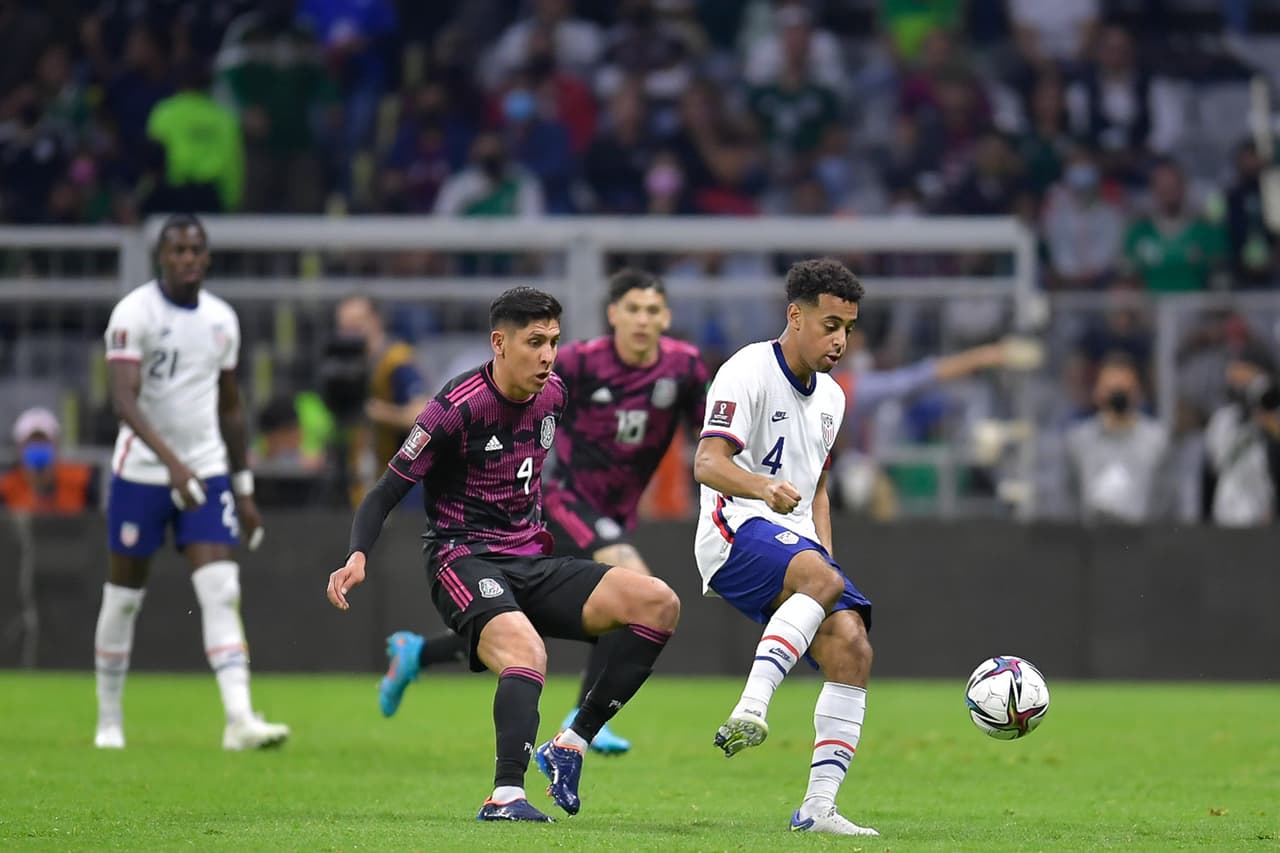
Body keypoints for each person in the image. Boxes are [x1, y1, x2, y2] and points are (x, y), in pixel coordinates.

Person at [325, 287, 680, 823]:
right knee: (526, 651)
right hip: (460, 557)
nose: (547, 355)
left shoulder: (555, 394)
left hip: (531, 558)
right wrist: (357, 554)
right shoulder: (455, 406)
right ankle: (505, 795)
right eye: (534, 342)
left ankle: (572, 743)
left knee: (658, 603)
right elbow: (384, 491)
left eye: (554, 342)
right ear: (499, 342)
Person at [377, 270, 707, 756]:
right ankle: (583, 718)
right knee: (630, 580)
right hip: (564, 499)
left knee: (519, 617)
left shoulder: (684, 366)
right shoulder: (577, 361)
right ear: (612, 314)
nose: (642, 320)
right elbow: (516, 390)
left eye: (653, 310)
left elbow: (708, 432)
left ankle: (418, 653)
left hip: (616, 509)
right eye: (632, 309)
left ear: (667, 318)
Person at [692, 258, 878, 837]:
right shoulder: (746, 370)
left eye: (848, 327)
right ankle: (751, 707)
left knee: (853, 647)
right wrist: (761, 486)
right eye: (829, 325)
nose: (840, 340)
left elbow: (818, 484)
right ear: (794, 316)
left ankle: (818, 808)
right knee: (820, 582)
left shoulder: (832, 397)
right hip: (732, 529)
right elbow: (706, 463)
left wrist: (826, 554)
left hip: (793, 543)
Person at [94, 213, 287, 751]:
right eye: (177, 249)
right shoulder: (134, 313)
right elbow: (123, 399)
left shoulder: (222, 320)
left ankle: (239, 719)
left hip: (205, 471)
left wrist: (243, 488)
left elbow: (230, 407)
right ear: (162, 256)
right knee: (124, 598)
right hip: (142, 474)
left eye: (195, 249)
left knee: (222, 589)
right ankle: (109, 719)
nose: (187, 258)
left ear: (206, 257)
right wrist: (171, 465)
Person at [332, 294, 430, 505]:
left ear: (375, 321)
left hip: (400, 481)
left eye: (357, 325)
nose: (351, 334)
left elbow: (423, 415)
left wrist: (377, 412)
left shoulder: (396, 361)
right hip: (357, 477)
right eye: (345, 328)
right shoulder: (338, 369)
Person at [1064, 352, 1172, 524]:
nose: (1117, 397)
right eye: (1112, 390)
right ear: (1098, 392)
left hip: (1141, 541)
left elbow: (1165, 501)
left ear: (1137, 392)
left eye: (1124, 390)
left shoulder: (1156, 441)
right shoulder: (1079, 440)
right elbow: (1070, 498)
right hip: (1092, 541)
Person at [1203, 343, 1280, 526]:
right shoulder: (1224, 419)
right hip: (1226, 517)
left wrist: (1271, 425)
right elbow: (1216, 465)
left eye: (1246, 371)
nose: (1236, 377)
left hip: (1268, 523)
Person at [0, 407, 96, 515]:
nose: (38, 446)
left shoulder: (81, 483)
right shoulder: (6, 490)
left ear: (56, 446)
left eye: (43, 441)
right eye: (32, 442)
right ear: (19, 448)